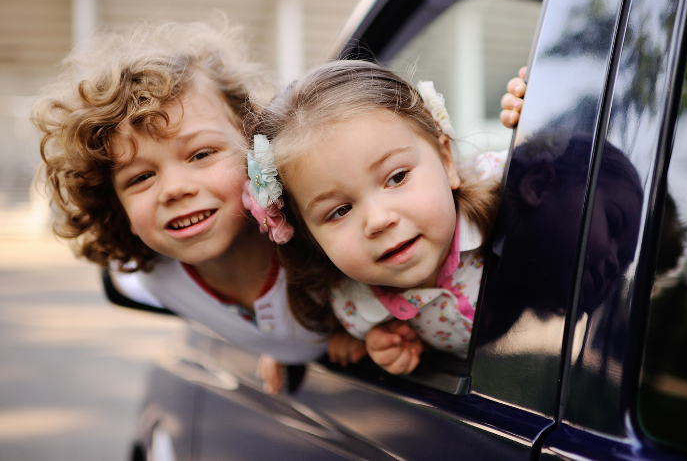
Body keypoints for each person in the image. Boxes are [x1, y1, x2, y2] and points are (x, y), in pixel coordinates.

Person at [32, 20, 327, 393]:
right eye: (139, 178)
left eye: (201, 154)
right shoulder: (158, 279)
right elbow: (275, 323)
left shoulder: (322, 236)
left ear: (256, 144)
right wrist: (284, 347)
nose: (172, 189)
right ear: (116, 209)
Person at [250, 60, 521, 375]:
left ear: (446, 160)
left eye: (396, 177)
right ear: (309, 235)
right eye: (339, 211)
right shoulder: (356, 309)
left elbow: (579, 168)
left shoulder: (515, 189)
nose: (378, 220)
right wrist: (388, 346)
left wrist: (535, 109)